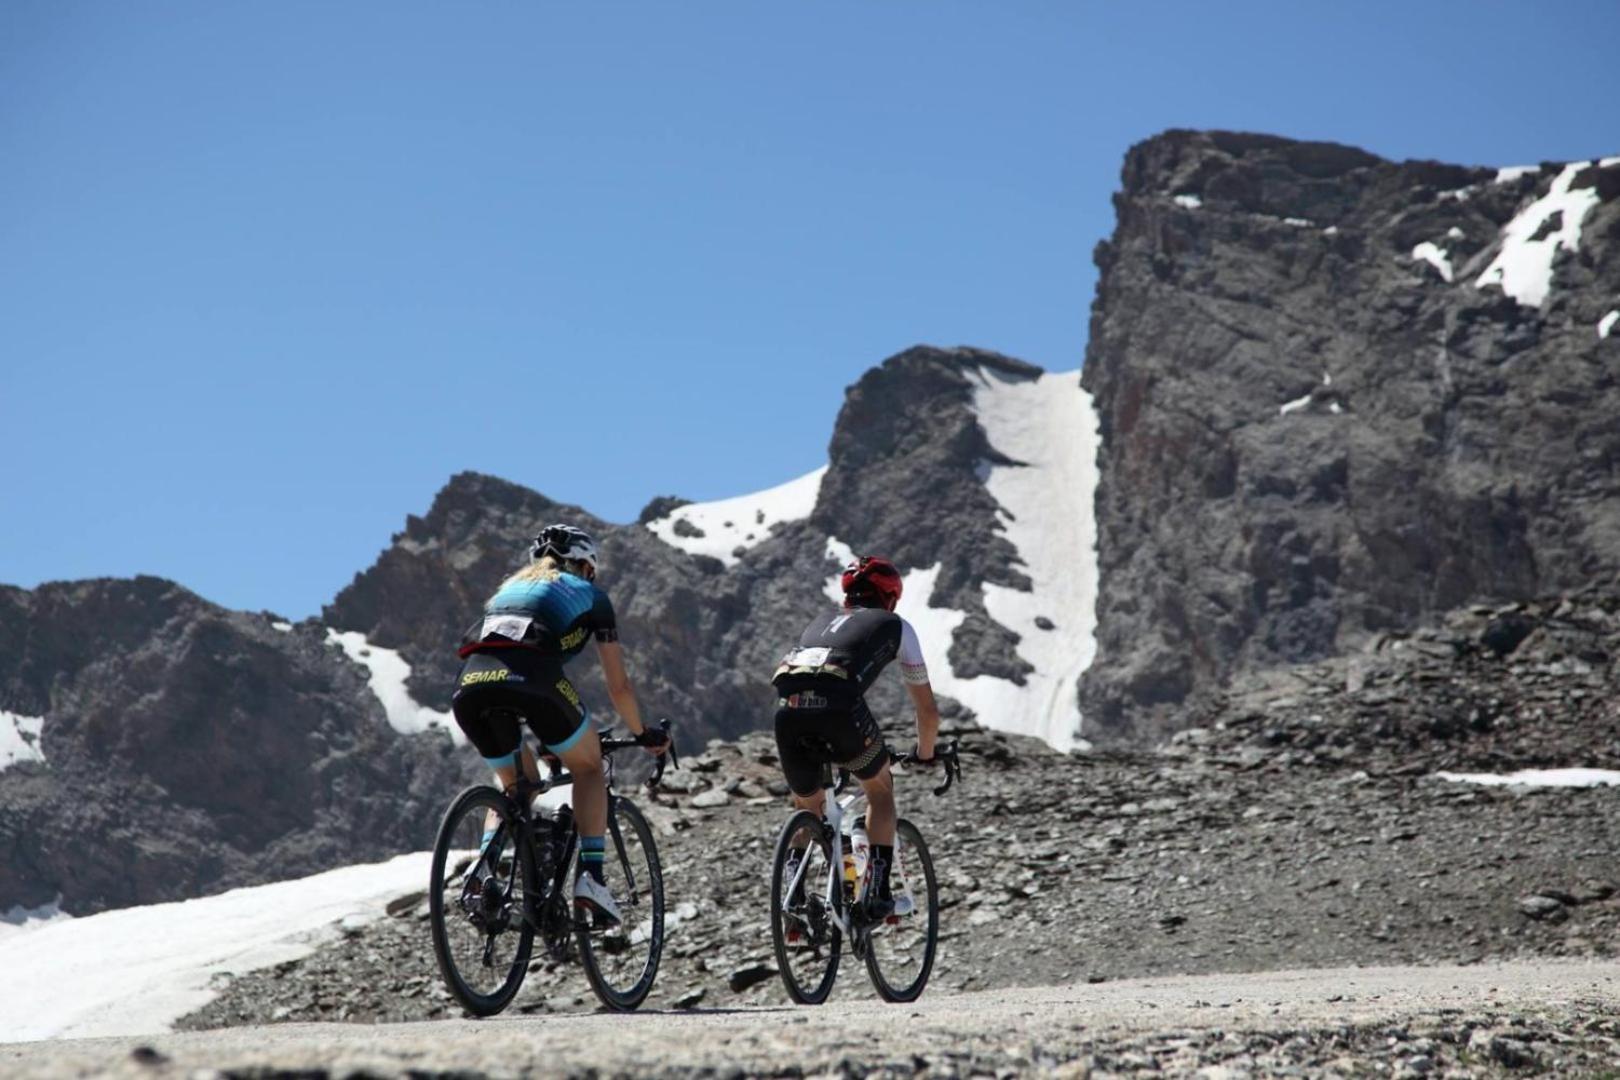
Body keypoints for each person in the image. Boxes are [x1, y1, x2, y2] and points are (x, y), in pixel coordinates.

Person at [451, 523, 668, 926]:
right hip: (532, 680)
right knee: (588, 768)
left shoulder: (506, 592)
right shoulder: (591, 595)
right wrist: (643, 733)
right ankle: (592, 880)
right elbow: (618, 686)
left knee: (519, 787)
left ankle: (483, 871)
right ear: (585, 565)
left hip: (470, 686)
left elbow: (504, 661)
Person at [770, 554, 942, 919]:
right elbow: (927, 711)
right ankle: (878, 893)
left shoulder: (820, 621)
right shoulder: (896, 625)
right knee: (880, 791)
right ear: (891, 597)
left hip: (788, 713)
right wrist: (925, 753)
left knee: (808, 805)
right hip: (840, 712)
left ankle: (793, 896)